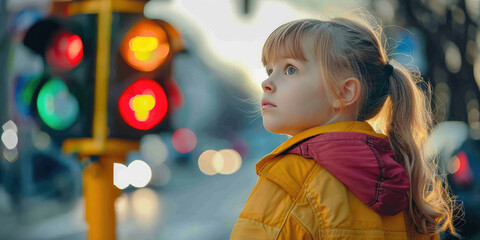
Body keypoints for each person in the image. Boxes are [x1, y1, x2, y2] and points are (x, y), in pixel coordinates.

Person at [230, 13, 460, 240]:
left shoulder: (289, 177)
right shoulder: (401, 184)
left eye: (291, 69)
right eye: (270, 70)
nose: (266, 83)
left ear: (344, 92)